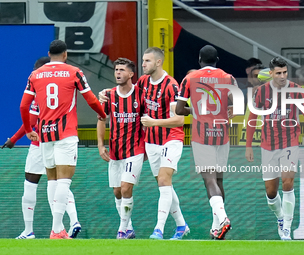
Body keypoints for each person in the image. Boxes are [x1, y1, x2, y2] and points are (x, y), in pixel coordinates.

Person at [20, 40, 106, 239]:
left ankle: (57, 229)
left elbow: (24, 107)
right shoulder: (74, 72)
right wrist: (102, 114)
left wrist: (27, 130)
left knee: (52, 180)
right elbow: (91, 99)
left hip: (44, 135)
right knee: (64, 182)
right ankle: (57, 229)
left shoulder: (35, 75)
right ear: (65, 54)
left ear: (49, 53)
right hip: (65, 133)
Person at [245, 57, 304, 240]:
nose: (282, 76)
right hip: (267, 146)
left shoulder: (297, 91)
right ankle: (281, 218)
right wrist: (249, 146)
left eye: (285, 73)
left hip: (290, 143)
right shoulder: (261, 92)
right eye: (279, 73)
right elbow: (252, 118)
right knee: (271, 192)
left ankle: (286, 229)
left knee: (288, 184)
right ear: (271, 73)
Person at [2, 56, 81, 239]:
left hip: (41, 144)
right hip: (63, 140)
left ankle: (29, 230)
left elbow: (29, 122)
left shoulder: (38, 94)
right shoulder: (65, 90)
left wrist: (13, 139)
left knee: (31, 185)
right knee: (61, 184)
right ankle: (71, 221)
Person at [176, 45, 234, 240]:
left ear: (200, 59)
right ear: (217, 59)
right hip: (222, 135)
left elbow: (178, 109)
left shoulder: (190, 79)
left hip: (202, 135)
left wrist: (195, 111)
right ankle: (217, 227)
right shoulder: (228, 77)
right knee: (218, 180)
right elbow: (234, 105)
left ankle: (223, 218)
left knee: (208, 179)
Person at [139, 47, 189, 240]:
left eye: (147, 61)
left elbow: (179, 120)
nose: (143, 64)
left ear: (158, 62)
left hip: (171, 138)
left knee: (163, 180)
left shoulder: (171, 86)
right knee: (163, 184)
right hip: (151, 141)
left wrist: (154, 122)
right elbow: (128, 94)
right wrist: (106, 94)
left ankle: (158, 229)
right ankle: (181, 225)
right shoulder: (143, 82)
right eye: (143, 60)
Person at [97, 58, 145, 239]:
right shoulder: (108, 95)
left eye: (122, 70)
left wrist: (147, 147)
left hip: (135, 149)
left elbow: (147, 123)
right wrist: (101, 145)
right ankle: (129, 227)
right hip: (115, 150)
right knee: (117, 191)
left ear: (131, 74)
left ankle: (122, 230)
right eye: (116, 70)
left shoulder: (141, 95)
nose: (118, 73)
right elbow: (101, 119)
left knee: (126, 188)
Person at [239, 64, 266, 146]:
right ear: (250, 79)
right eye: (256, 76)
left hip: (264, 143)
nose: (259, 78)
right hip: (246, 142)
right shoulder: (246, 94)